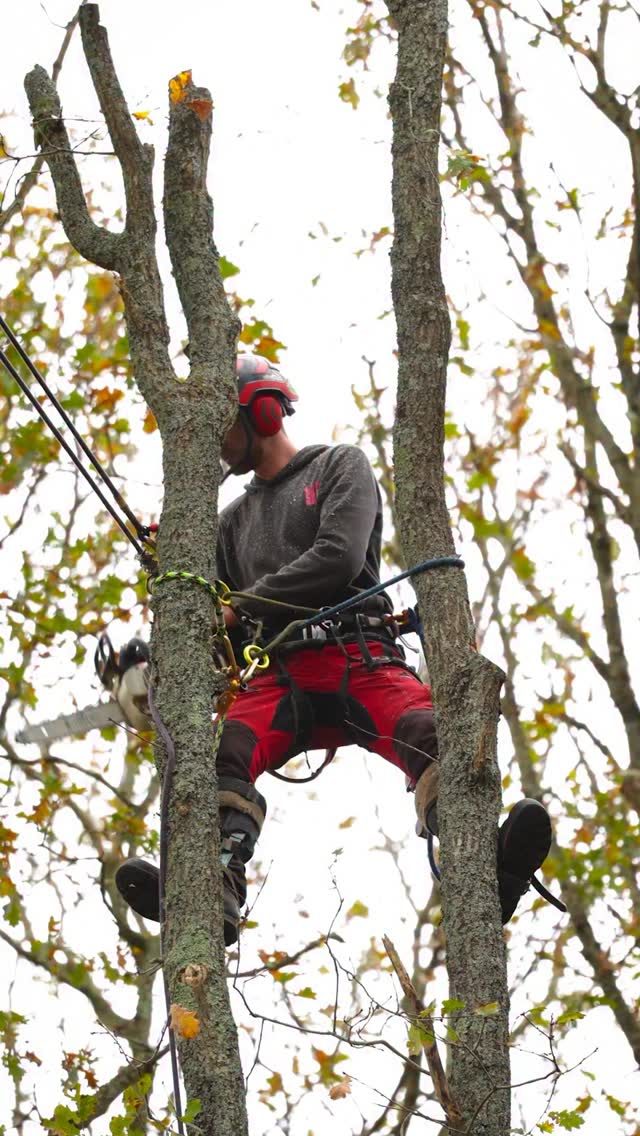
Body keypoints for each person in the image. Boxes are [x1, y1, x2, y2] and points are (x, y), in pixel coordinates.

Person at [116, 356, 560, 944]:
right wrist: (162, 644)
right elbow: (214, 620)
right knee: (220, 754)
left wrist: (239, 606)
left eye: (224, 427)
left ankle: (484, 870)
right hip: (276, 678)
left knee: (431, 735)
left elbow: (338, 559)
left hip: (357, 658)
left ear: (264, 412)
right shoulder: (229, 524)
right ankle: (210, 886)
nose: (220, 447)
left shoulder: (337, 466)